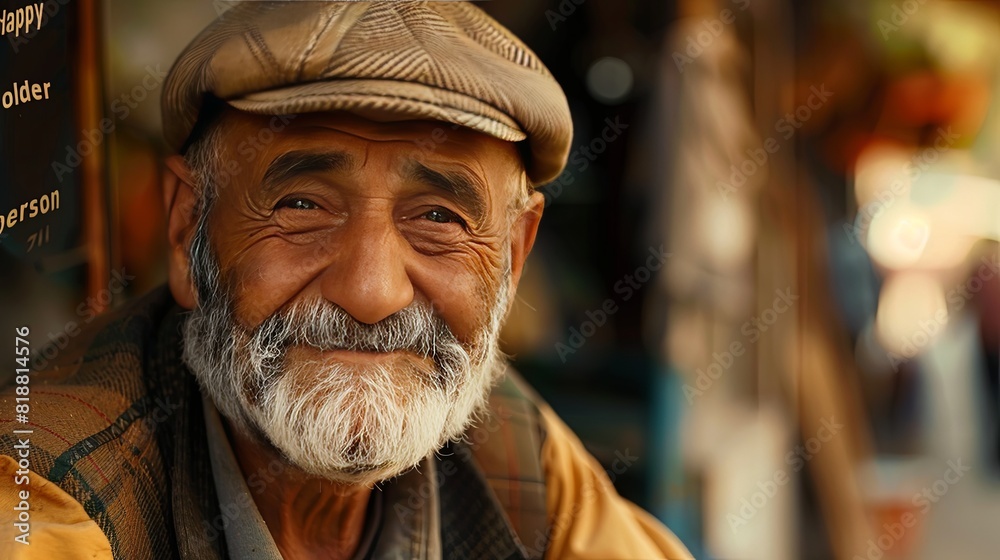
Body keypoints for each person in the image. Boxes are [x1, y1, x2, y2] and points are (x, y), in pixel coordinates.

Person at [0, 2, 692, 559]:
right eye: (303, 206)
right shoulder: (48, 498)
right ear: (188, 230)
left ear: (512, 257)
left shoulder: (515, 459)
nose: (371, 293)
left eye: (438, 217)